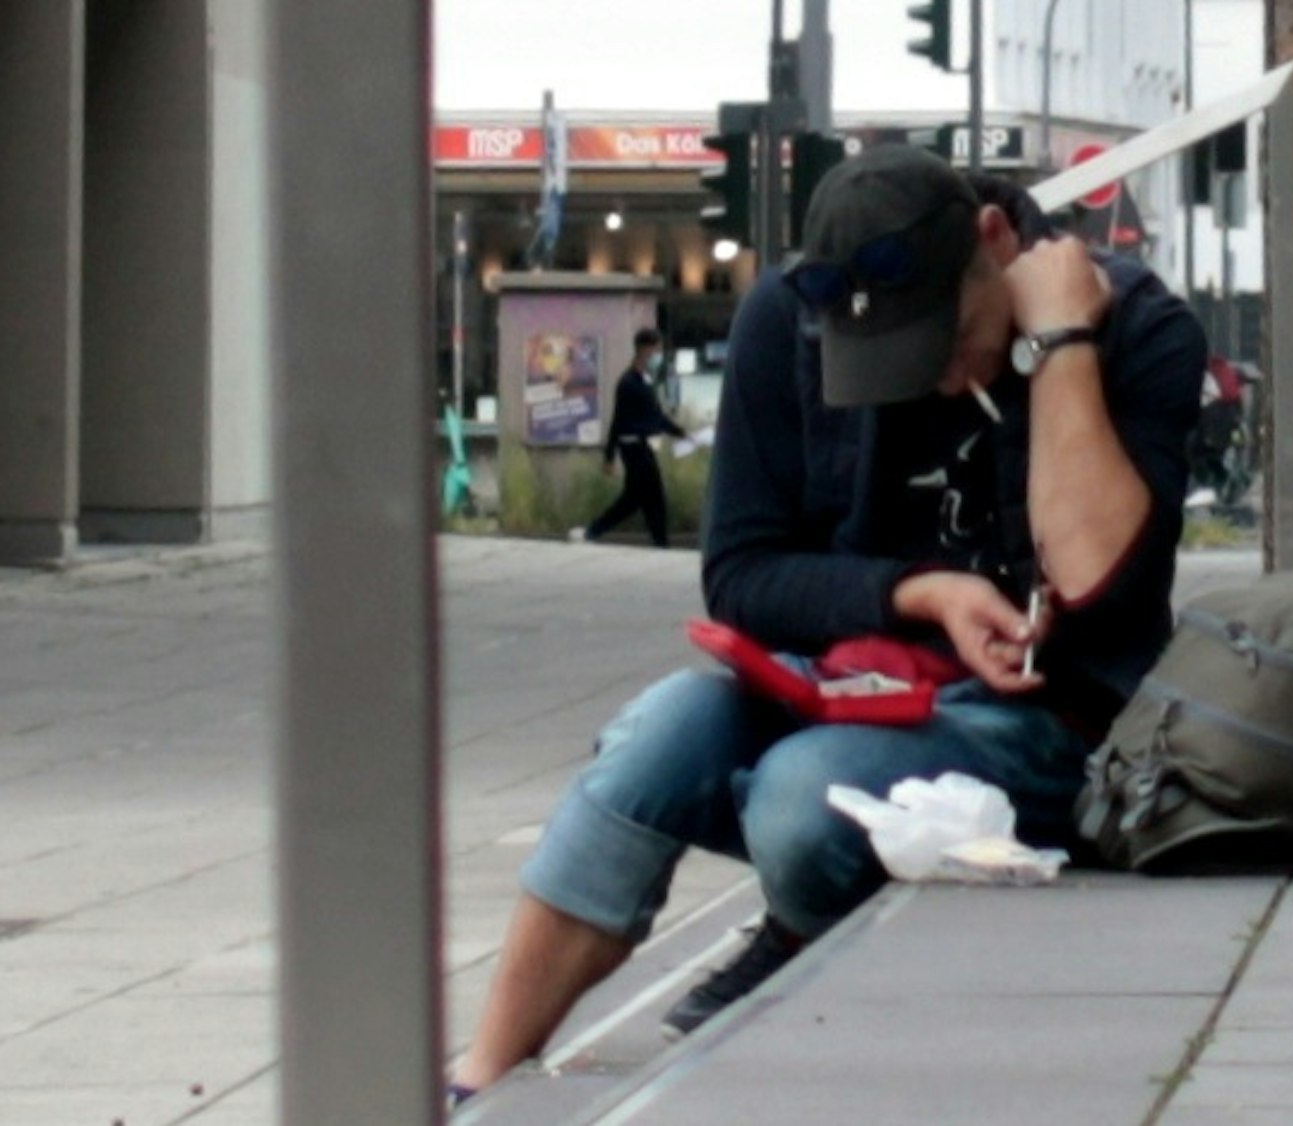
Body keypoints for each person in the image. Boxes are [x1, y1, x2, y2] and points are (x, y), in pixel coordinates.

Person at [449, 146, 1206, 1102]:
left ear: (996, 241)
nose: (926, 381)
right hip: (848, 690)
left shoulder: (1138, 327)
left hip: (1050, 728)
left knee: (803, 797)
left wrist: (1060, 345)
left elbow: (1098, 586)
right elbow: (741, 573)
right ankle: (481, 1077)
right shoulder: (790, 322)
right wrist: (917, 594)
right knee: (664, 732)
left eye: (943, 341)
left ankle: (795, 945)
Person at [574, 327, 687, 547]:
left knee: (635, 499)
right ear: (644, 349)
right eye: (657, 349)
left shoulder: (645, 381)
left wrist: (680, 433)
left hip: (645, 447)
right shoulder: (628, 383)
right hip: (634, 448)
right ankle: (660, 543)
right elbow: (617, 421)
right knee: (653, 497)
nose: (659, 354)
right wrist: (609, 456)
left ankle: (593, 532)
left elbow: (657, 417)